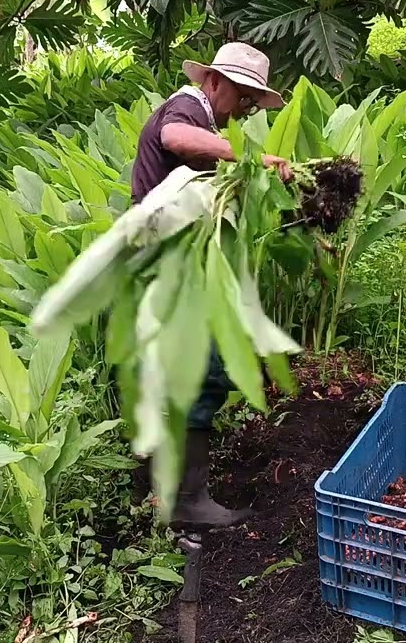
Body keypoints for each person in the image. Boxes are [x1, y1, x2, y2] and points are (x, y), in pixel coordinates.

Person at [130, 42, 289, 529]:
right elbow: (176, 138)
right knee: (209, 366)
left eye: (252, 102)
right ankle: (186, 500)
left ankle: (153, 486)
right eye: (243, 97)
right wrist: (248, 158)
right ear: (215, 82)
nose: (245, 109)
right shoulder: (185, 109)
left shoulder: (207, 119)